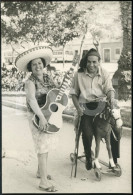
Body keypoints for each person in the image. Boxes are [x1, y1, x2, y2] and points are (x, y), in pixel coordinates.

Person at [70, 48, 121, 170]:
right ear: (86, 62)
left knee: (116, 127)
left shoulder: (104, 72)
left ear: (99, 62)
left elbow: (109, 89)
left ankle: (113, 159)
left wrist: (112, 99)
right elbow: (73, 94)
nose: (91, 65)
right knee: (87, 132)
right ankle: (88, 156)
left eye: (94, 62)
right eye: (89, 62)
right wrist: (78, 108)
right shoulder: (79, 74)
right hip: (85, 106)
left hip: (101, 105)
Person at [15, 46, 58, 192]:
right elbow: (32, 101)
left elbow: (55, 92)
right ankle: (43, 182)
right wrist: (41, 117)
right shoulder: (30, 82)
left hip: (47, 114)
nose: (38, 66)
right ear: (30, 68)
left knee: (45, 143)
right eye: (34, 64)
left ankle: (41, 172)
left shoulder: (47, 77)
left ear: (43, 64)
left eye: (39, 63)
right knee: (42, 146)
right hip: (36, 116)